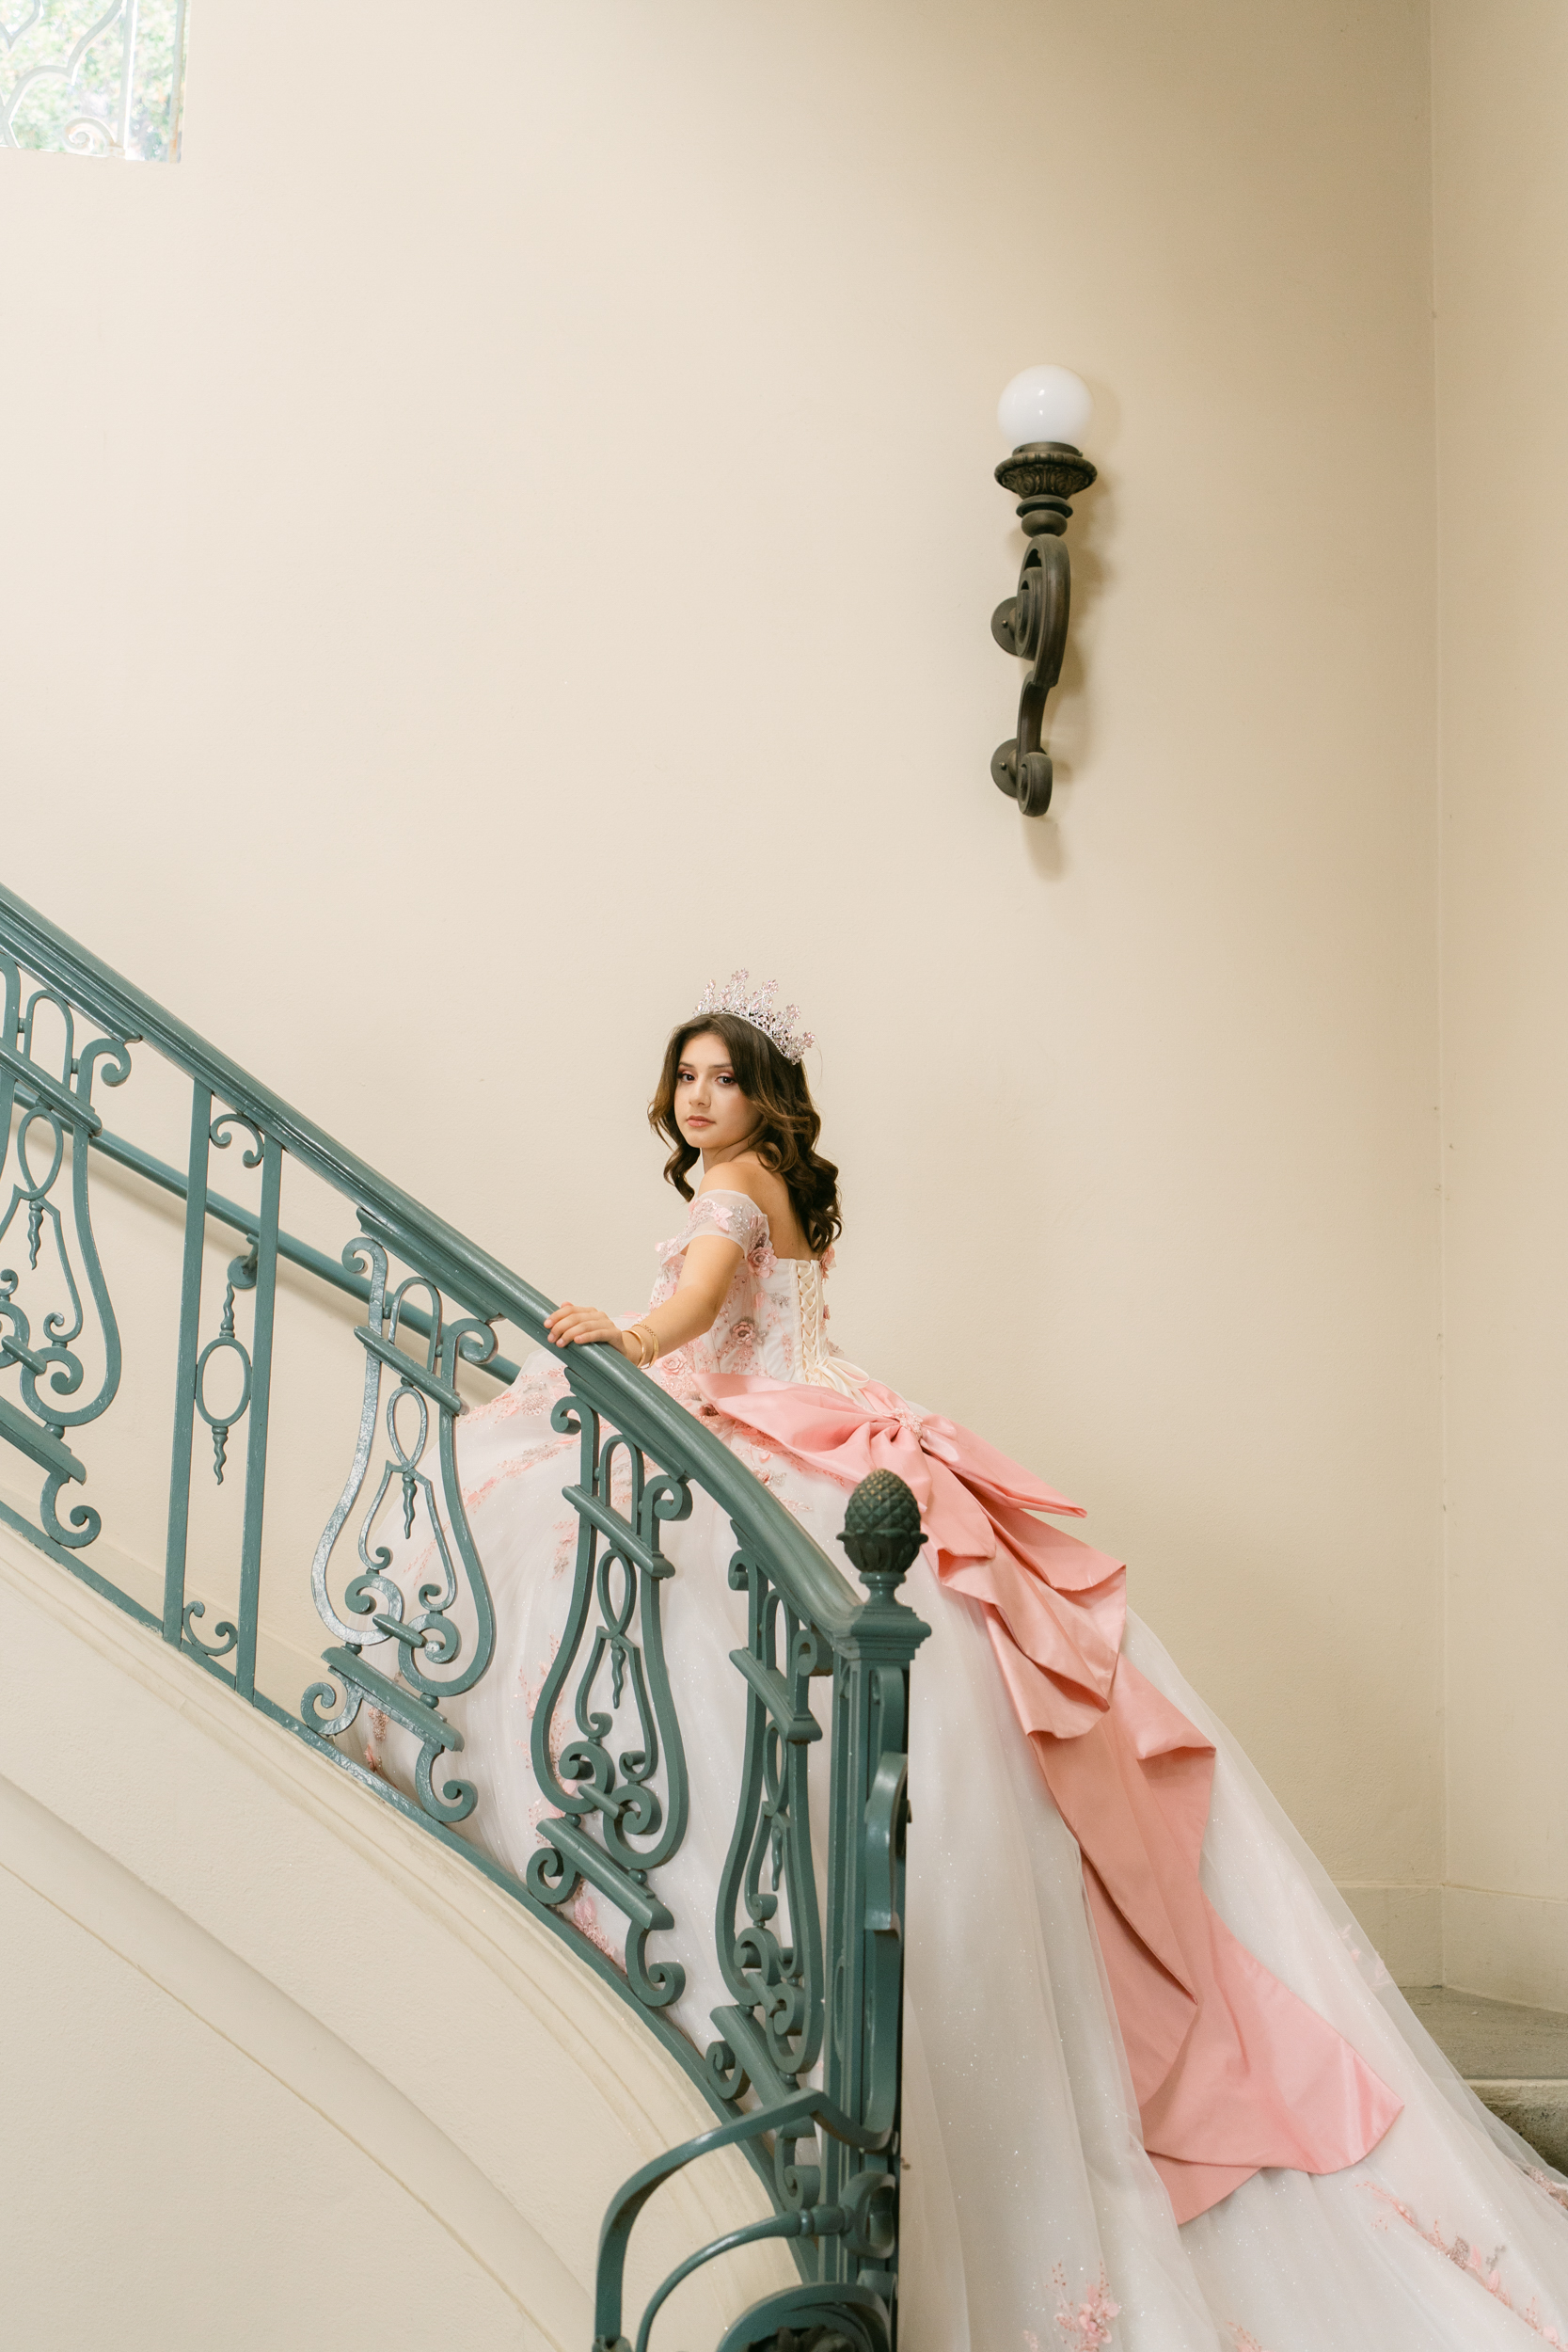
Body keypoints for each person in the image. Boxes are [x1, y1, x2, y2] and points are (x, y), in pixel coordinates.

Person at [365, 973, 1568, 2350]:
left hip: (777, 1422)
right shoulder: (784, 1186)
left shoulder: (726, 1196)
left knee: (528, 1506)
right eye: (685, 1075)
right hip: (833, 1415)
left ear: (763, 1098)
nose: (700, 1097)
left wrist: (624, 1341)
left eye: (723, 1077)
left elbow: (702, 1305)